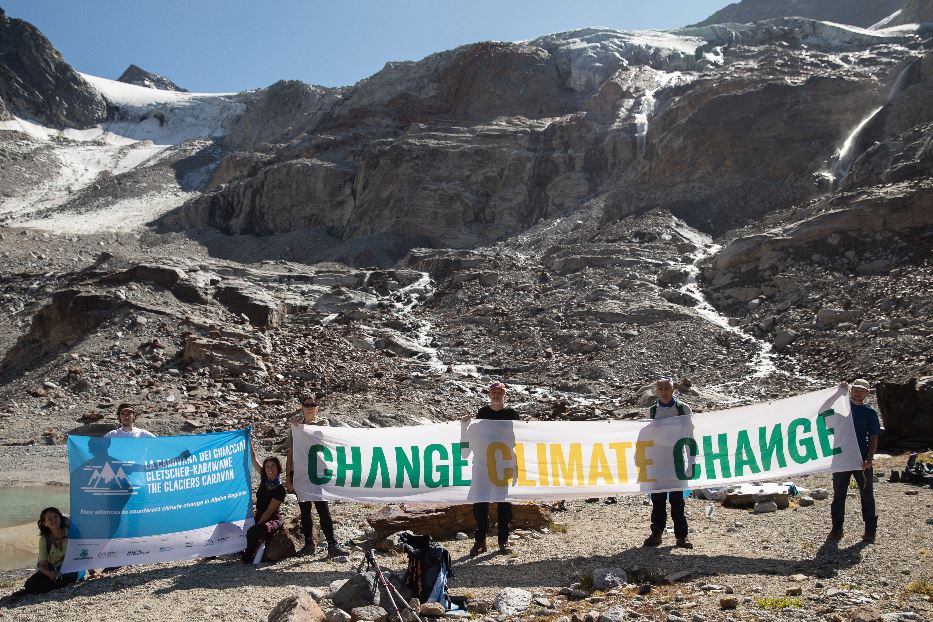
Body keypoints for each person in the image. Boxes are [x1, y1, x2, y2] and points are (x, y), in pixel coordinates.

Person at [285, 394, 349, 558]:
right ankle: (309, 544)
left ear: (317, 407)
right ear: (302, 407)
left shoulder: (322, 423)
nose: (310, 407)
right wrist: (288, 476)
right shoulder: (295, 428)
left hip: (318, 473)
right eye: (307, 405)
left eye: (313, 404)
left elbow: (325, 438)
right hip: (301, 473)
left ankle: (332, 545)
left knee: (323, 509)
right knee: (305, 510)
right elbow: (291, 452)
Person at [461, 380, 519, 556]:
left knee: (504, 504)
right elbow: (471, 441)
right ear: (489, 395)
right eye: (493, 392)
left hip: (502, 465)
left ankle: (503, 540)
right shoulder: (482, 414)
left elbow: (521, 437)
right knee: (480, 504)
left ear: (504, 395)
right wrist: (464, 427)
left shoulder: (512, 415)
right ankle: (480, 541)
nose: (496, 395)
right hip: (482, 466)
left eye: (499, 392)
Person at [643, 376, 694, 549]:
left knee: (677, 500)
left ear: (674, 390)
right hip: (657, 462)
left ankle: (681, 537)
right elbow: (646, 437)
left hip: (676, 461)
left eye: (667, 389)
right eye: (661, 389)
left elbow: (689, 436)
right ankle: (656, 533)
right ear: (656, 391)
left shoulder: (683, 409)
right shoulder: (651, 411)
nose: (664, 392)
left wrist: (691, 461)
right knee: (657, 500)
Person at [828, 378, 881, 543]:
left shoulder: (869, 412)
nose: (858, 392)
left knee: (866, 495)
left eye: (862, 390)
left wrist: (869, 459)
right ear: (851, 390)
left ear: (867, 393)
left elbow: (873, 437)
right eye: (855, 389)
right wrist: (838, 392)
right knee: (839, 495)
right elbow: (824, 410)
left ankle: (870, 531)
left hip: (861, 460)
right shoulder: (841, 407)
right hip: (841, 459)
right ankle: (837, 529)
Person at [11, 508, 81, 599]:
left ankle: (33, 592)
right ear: (45, 523)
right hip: (53, 568)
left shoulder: (70, 532)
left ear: (61, 518)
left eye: (56, 516)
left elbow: (84, 547)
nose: (53, 520)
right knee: (29, 584)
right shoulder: (44, 539)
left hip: (71, 569)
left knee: (45, 587)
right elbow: (43, 563)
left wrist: (91, 572)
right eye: (49, 519)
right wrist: (48, 573)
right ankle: (33, 591)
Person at [243, 442, 286, 564]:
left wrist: (256, 524)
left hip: (272, 519)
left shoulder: (280, 489)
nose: (270, 469)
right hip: (258, 514)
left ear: (278, 468)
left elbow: (268, 513)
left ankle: (247, 558)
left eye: (273, 466)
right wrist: (248, 438)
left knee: (253, 531)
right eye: (267, 466)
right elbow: (253, 458)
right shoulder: (263, 478)